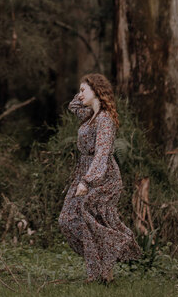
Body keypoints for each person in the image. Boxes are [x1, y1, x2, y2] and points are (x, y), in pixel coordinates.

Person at [58, 73, 141, 283]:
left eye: (84, 90)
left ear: (96, 91)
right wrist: (84, 92)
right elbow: (73, 106)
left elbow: (102, 153)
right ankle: (102, 264)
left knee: (91, 222)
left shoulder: (105, 119)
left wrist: (88, 181)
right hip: (83, 171)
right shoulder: (89, 115)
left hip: (103, 176)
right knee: (67, 220)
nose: (80, 94)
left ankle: (102, 274)